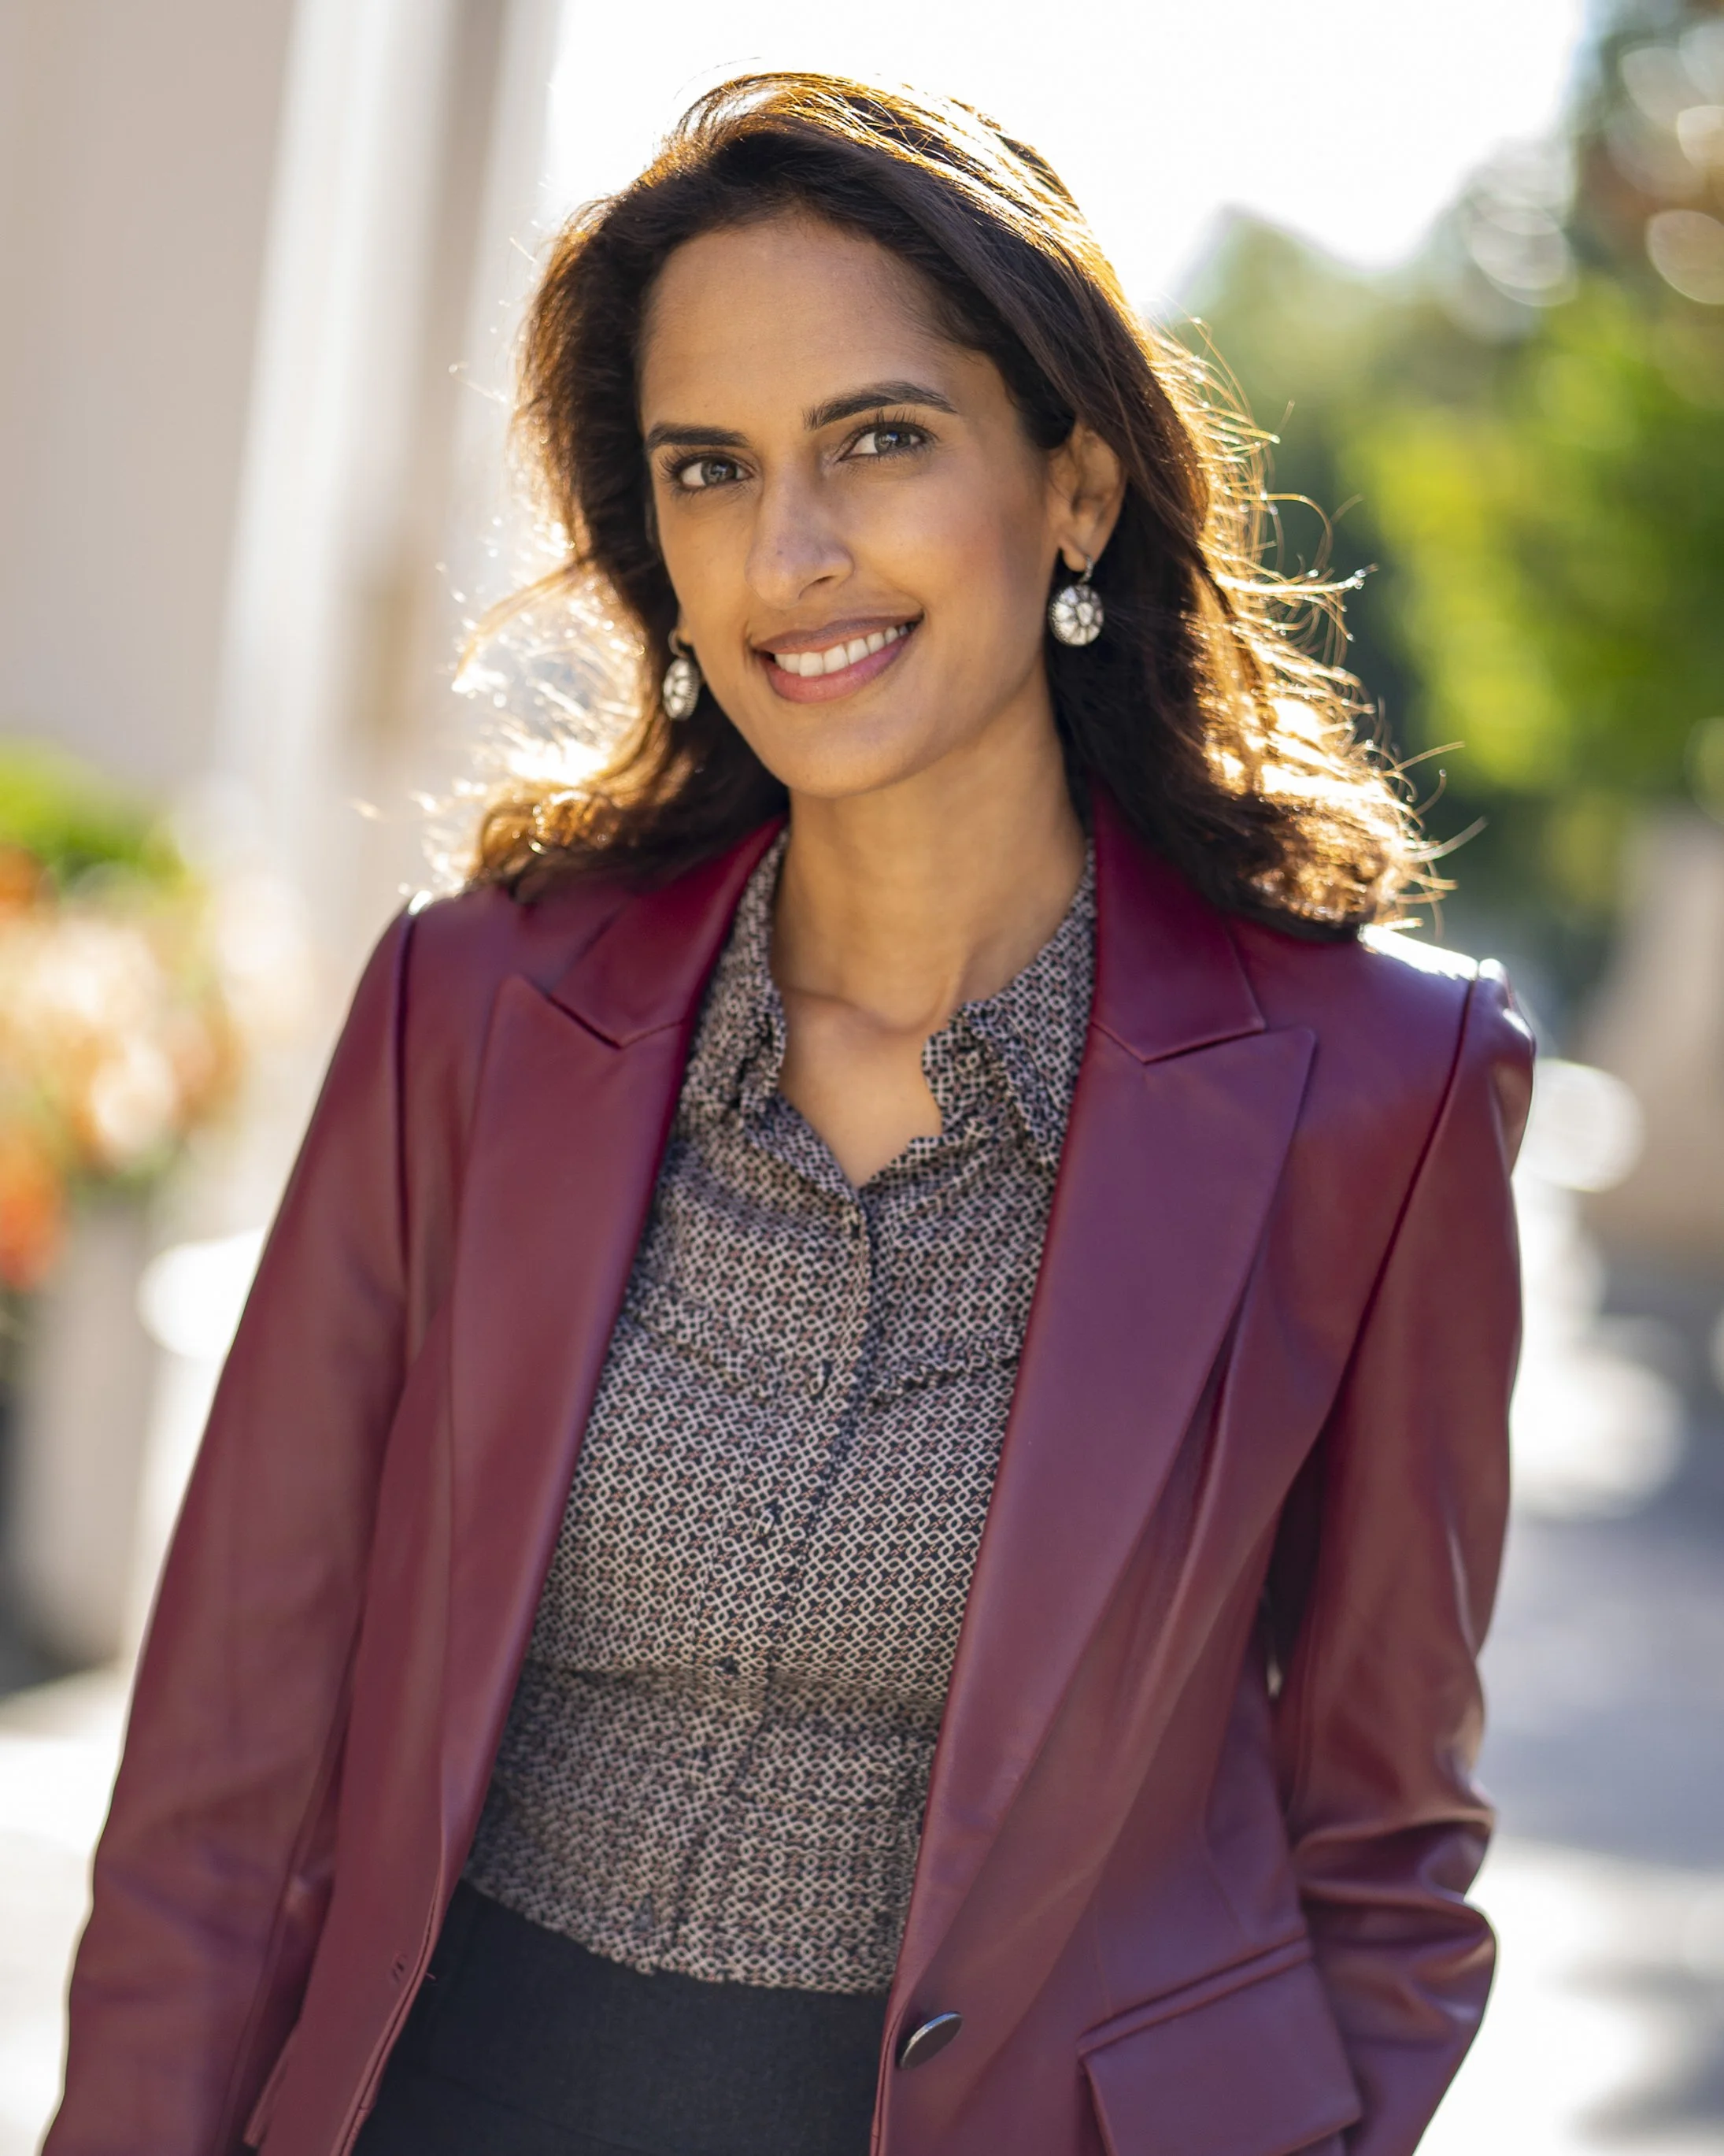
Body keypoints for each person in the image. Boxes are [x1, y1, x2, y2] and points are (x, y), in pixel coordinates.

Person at [47, 74, 1533, 2156]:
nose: (791, 552)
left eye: (882, 439)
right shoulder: (472, 1009)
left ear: (1077, 483)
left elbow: (1380, 1846)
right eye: (709, 469)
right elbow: (223, 1766)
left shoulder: (1375, 1098)